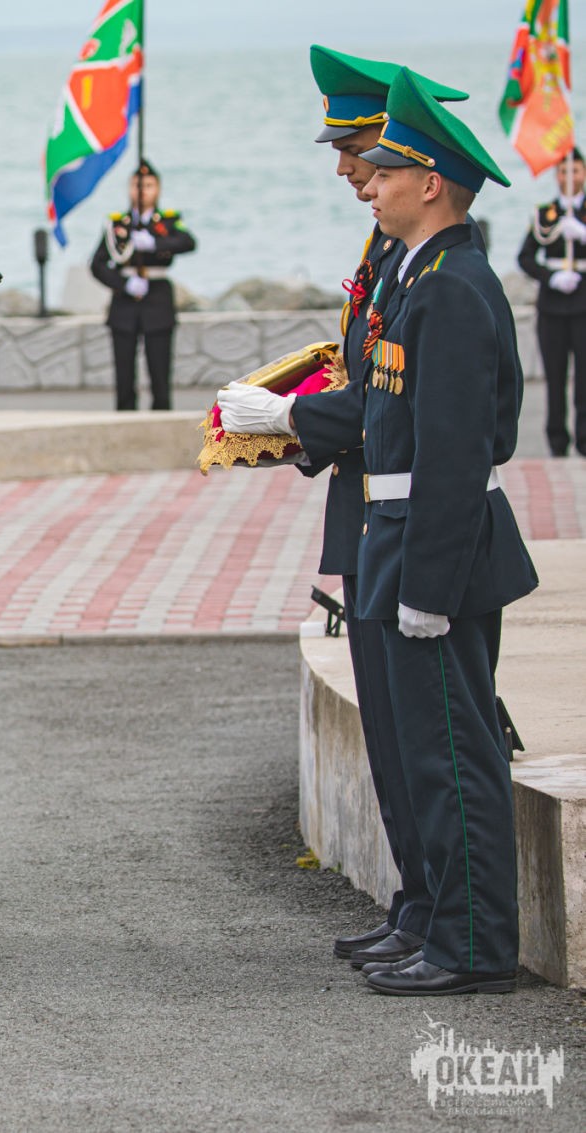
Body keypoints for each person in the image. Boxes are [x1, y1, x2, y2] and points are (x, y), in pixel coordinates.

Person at [216, 47, 471, 975]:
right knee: (396, 742)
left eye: (359, 151)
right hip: (372, 511)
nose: (348, 171)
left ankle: (450, 923)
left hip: (399, 514)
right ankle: (420, 905)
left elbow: (409, 407)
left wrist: (295, 419)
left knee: (432, 742)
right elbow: (370, 376)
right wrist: (298, 409)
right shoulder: (390, 255)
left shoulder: (438, 273)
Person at [303, 69, 535, 994]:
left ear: (430, 182)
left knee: (454, 756)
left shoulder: (453, 288)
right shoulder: (424, 278)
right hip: (398, 532)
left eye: (387, 170)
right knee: (424, 752)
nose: (371, 183)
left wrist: (429, 588)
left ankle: (473, 944)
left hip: (436, 544)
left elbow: (456, 453)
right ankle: (437, 920)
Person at [89, 158, 196, 411]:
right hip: (125, 302)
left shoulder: (167, 221)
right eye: (137, 185)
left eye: (148, 185)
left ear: (157, 189)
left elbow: (188, 243)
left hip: (157, 298)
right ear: (129, 188)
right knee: (124, 374)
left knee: (160, 372)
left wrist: (154, 243)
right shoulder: (117, 224)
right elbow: (97, 265)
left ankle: (161, 419)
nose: (142, 191)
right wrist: (124, 283)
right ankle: (125, 419)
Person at [517, 147, 586, 457]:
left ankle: (584, 441)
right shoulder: (546, 213)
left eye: (574, 170)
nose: (568, 176)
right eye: (563, 171)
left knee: (584, 379)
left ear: (583, 173)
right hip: (553, 306)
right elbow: (525, 258)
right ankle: (557, 442)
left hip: (583, 304)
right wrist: (551, 277)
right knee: (554, 377)